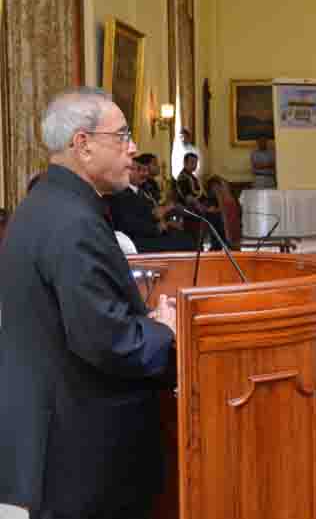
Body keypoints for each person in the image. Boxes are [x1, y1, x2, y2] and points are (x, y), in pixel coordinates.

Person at [0, 88, 177, 519]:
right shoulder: (72, 220)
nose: (133, 148)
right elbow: (105, 339)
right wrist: (164, 329)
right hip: (81, 437)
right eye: (122, 135)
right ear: (83, 144)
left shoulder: (46, 204)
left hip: (55, 422)